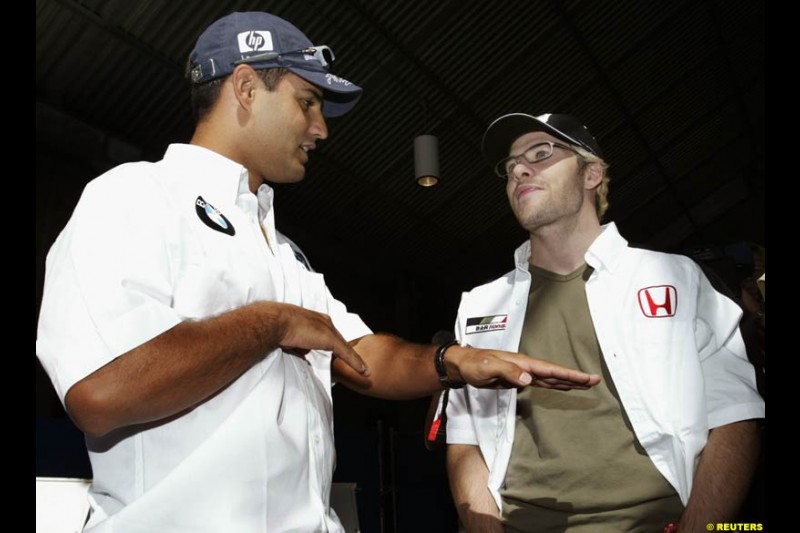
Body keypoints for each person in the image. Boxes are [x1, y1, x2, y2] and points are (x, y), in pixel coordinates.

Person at [35, 13, 600, 533]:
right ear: (247, 88)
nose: (320, 129)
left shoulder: (280, 251)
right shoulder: (134, 197)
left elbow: (361, 357)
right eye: (308, 102)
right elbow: (100, 392)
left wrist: (453, 362)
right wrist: (270, 324)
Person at [445, 113, 765, 532]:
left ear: (591, 173)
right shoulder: (481, 304)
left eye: (541, 153)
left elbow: (734, 417)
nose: (519, 169)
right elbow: (465, 438)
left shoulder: (675, 278)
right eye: (510, 166)